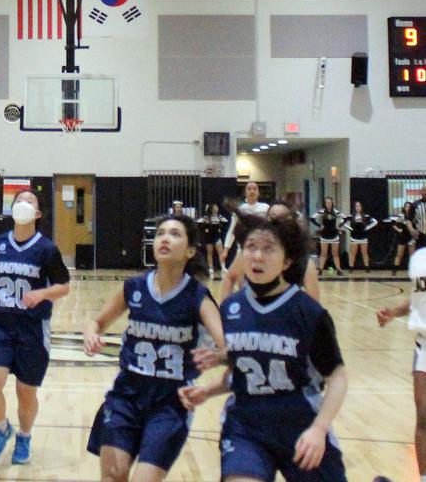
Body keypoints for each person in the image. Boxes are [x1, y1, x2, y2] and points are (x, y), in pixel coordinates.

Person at [180, 213, 348, 482]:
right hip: (247, 425)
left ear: (288, 260)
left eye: (268, 249)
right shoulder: (231, 308)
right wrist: (208, 390)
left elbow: (337, 377)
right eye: (251, 247)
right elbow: (246, 369)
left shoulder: (308, 312)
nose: (257, 256)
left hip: (300, 421)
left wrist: (319, 429)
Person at [83, 215, 224, 482]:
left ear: (191, 250)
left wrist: (218, 356)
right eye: (160, 233)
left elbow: (226, 346)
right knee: (113, 475)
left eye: (174, 234)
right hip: (126, 395)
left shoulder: (198, 297)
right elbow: (96, 322)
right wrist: (91, 334)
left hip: (171, 402)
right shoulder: (134, 287)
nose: (165, 238)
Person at [0, 189, 70, 465]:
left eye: (29, 201)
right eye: (18, 201)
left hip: (32, 328)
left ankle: (24, 436)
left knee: (25, 393)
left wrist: (42, 294)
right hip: (0, 324)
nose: (23, 204)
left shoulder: (47, 249)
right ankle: (2, 429)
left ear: (38, 214)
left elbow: (64, 287)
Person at [377, 248, 426, 482]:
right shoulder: (418, 259)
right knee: (423, 414)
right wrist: (394, 312)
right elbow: (418, 299)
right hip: (424, 345)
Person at [221, 200, 320, 300]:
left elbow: (314, 303)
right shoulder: (252, 255)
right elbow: (229, 278)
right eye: (272, 218)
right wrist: (225, 308)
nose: (276, 222)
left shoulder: (304, 262)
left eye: (282, 218)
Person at [222, 182, 270, 266]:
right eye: (249, 189)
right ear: (245, 193)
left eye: (255, 189)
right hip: (244, 248)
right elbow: (232, 230)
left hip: (262, 247)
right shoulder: (240, 209)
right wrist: (226, 250)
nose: (252, 191)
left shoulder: (266, 207)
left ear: (258, 193)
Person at [311, 197, 345, 276]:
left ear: (332, 203)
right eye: (327, 202)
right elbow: (312, 218)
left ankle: (339, 270)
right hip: (325, 235)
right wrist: (319, 225)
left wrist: (339, 225)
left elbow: (345, 218)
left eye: (330, 202)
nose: (328, 204)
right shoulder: (322, 212)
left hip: (334, 235)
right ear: (325, 204)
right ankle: (320, 270)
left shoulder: (335, 212)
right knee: (323, 254)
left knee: (335, 254)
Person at [342, 201, 377, 272]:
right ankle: (351, 268)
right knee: (353, 253)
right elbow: (342, 221)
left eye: (359, 206)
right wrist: (350, 229)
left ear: (361, 207)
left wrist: (367, 227)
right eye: (356, 206)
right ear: (355, 207)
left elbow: (375, 221)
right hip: (354, 237)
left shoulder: (365, 216)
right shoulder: (351, 216)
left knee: (364, 253)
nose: (358, 207)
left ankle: (367, 268)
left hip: (363, 237)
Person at [199, 203, 227, 280]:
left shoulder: (219, 217)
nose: (216, 208)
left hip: (217, 236)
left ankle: (223, 267)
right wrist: (205, 225)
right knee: (210, 252)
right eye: (215, 207)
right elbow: (199, 223)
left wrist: (221, 224)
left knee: (220, 252)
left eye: (217, 207)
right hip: (209, 237)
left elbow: (225, 222)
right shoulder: (206, 217)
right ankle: (210, 268)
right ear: (211, 209)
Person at [389, 202, 417, 275]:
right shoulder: (401, 216)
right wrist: (399, 230)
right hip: (402, 237)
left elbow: (416, 226)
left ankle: (412, 270)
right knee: (399, 254)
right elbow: (393, 224)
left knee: (412, 255)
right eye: (406, 206)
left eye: (409, 206)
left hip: (411, 237)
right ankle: (394, 270)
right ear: (404, 208)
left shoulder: (413, 216)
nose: (407, 208)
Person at [410, 185, 426, 250]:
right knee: (420, 254)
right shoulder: (415, 204)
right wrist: (411, 229)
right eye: (424, 190)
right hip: (420, 234)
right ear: (420, 192)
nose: (425, 192)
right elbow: (409, 219)